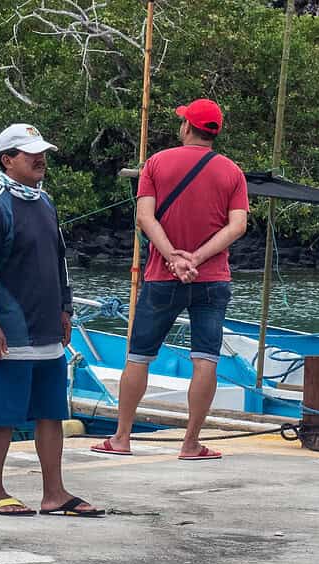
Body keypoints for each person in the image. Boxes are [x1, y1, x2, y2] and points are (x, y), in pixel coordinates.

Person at [92, 98, 249, 460]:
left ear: (187, 127)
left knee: (138, 356)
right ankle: (191, 442)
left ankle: (121, 438)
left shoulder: (157, 163)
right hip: (211, 277)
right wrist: (197, 257)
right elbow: (237, 225)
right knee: (205, 359)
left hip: (162, 276)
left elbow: (146, 218)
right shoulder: (232, 172)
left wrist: (173, 257)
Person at [0, 123, 104, 518]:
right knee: (2, 415)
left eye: (41, 152)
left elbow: (59, 262)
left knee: (51, 412)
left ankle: (54, 493)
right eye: (29, 154)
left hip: (47, 327)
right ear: (8, 160)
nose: (39, 159)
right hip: (10, 330)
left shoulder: (45, 202)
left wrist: (66, 309)